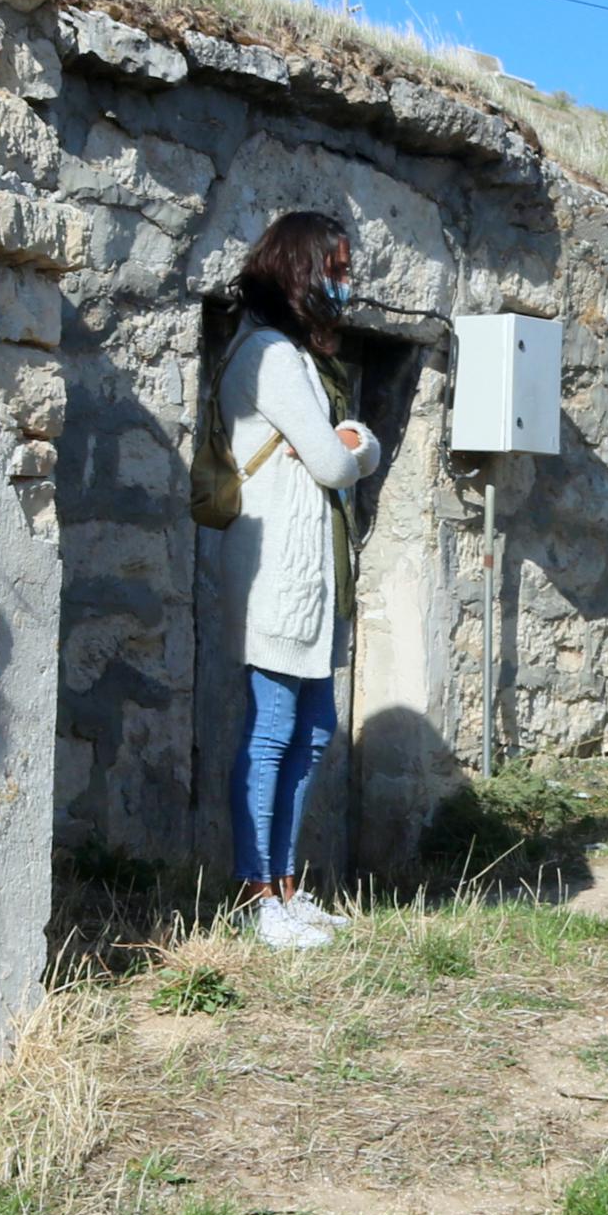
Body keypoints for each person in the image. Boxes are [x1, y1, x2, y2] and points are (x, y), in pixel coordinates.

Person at [221, 211, 383, 951]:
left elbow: (341, 449)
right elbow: (331, 462)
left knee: (311, 732)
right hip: (280, 576)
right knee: (272, 733)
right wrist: (354, 446)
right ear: (300, 270)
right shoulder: (272, 358)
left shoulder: (295, 357)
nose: (344, 286)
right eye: (337, 270)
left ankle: (285, 886)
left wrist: (357, 443)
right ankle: (256, 897)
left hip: (309, 579)